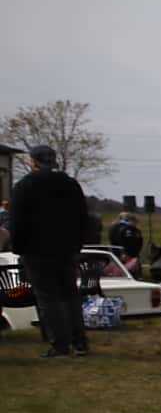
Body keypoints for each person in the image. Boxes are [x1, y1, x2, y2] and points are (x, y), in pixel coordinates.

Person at [9, 144, 90, 357]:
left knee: (47, 298)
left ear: (33, 161)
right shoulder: (71, 184)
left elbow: (16, 221)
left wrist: (18, 247)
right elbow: (83, 217)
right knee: (70, 295)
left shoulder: (25, 185)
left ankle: (59, 344)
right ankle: (79, 341)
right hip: (66, 248)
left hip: (37, 250)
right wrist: (78, 244)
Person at [109, 210, 144, 275]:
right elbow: (119, 240)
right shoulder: (121, 228)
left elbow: (140, 241)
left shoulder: (136, 230)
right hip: (123, 252)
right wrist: (123, 252)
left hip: (131, 252)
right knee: (124, 267)